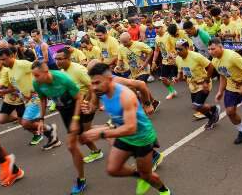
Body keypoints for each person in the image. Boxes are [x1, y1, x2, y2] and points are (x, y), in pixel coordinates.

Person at [82, 63, 171, 195]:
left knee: (147, 175)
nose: (93, 87)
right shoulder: (100, 90)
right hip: (123, 134)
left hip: (141, 137)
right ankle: (141, 175)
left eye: (97, 83)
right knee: (113, 169)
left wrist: (101, 133)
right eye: (92, 83)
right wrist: (88, 109)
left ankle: (164, 191)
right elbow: (94, 105)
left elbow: (131, 128)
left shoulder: (125, 96)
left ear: (110, 79)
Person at [32, 61, 87, 195]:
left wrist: (75, 120)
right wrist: (41, 119)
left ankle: (81, 180)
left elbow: (79, 98)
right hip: (63, 110)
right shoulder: (37, 83)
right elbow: (43, 99)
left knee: (71, 145)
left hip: (76, 107)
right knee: (84, 138)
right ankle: (100, 141)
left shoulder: (64, 79)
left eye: (37, 75)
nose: (35, 79)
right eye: (33, 75)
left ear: (46, 72)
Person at [0, 48, 59, 148]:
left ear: (12, 56)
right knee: (25, 122)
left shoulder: (22, 64)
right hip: (27, 99)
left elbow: (41, 68)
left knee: (25, 123)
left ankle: (50, 130)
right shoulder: (9, 70)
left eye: (4, 59)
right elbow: (16, 85)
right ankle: (52, 137)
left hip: (36, 97)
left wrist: (43, 86)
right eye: (0, 60)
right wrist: (6, 92)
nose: (2, 62)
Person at [54, 48, 104, 164]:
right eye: (56, 59)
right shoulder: (62, 72)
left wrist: (86, 101)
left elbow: (92, 86)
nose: (57, 62)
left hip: (87, 104)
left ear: (68, 58)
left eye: (60, 59)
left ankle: (108, 136)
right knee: (83, 132)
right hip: (76, 105)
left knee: (84, 134)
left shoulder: (78, 70)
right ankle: (109, 131)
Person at [173, 39, 221, 129]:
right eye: (177, 49)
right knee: (198, 107)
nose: (178, 51)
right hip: (192, 85)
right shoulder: (178, 59)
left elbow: (210, 66)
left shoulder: (196, 56)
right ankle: (213, 113)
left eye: (180, 49)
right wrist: (177, 78)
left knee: (197, 105)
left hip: (203, 84)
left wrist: (206, 81)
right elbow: (181, 72)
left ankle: (213, 112)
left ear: (187, 48)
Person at [0, 55, 26, 125]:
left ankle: (41, 129)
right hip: (8, 97)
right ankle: (19, 118)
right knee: (1, 120)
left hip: (19, 97)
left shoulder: (5, 71)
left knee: (25, 124)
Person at [151, 21, 177, 100]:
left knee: (187, 78)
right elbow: (156, 50)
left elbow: (177, 45)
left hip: (176, 60)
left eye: (158, 28)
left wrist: (175, 56)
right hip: (166, 61)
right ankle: (172, 92)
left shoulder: (169, 35)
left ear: (162, 27)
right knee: (163, 78)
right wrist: (153, 61)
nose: (156, 30)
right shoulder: (156, 38)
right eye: (155, 28)